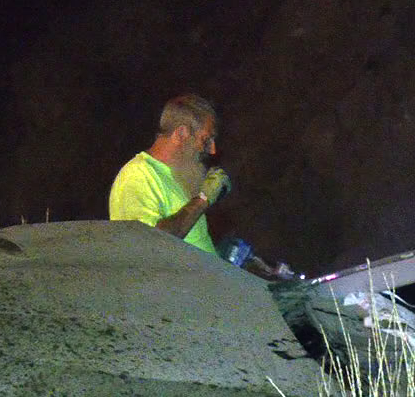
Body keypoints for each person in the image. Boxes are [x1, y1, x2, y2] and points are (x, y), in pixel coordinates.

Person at [108, 93, 293, 278]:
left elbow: (187, 244)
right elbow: (146, 246)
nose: (212, 150)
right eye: (206, 139)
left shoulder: (176, 178)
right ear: (181, 134)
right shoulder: (138, 175)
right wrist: (203, 199)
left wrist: (227, 258)